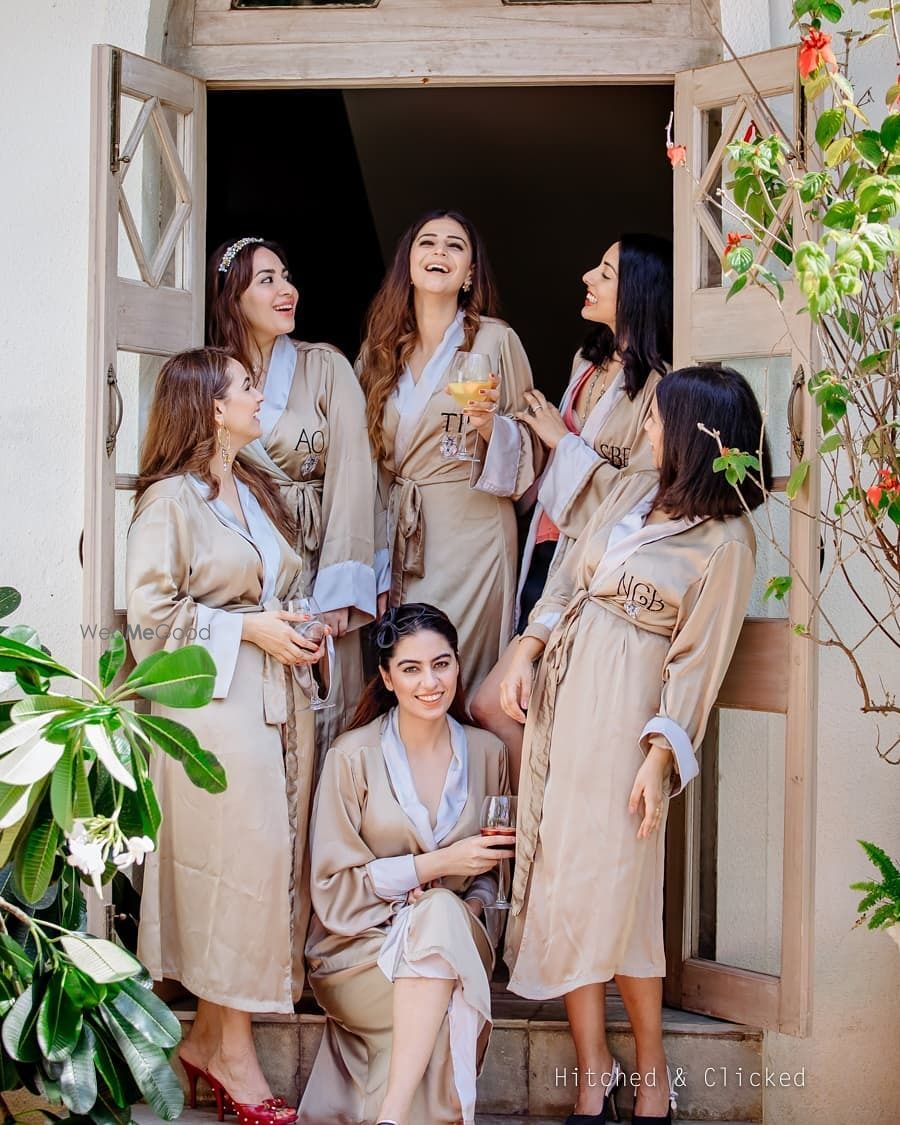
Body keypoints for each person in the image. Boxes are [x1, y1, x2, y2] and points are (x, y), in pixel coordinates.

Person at [501, 365, 771, 1125]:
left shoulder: (726, 541)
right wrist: (527, 647)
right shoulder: (625, 492)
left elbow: (699, 662)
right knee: (560, 880)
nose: (647, 429)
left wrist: (658, 758)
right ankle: (594, 1069)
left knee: (621, 893)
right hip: (565, 704)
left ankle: (650, 1068)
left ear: (693, 432)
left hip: (628, 721)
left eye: (658, 419)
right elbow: (563, 577)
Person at [127, 347, 328, 1124]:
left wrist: (295, 629)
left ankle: (210, 1039)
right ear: (212, 405)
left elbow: (278, 590)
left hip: (279, 703)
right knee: (240, 868)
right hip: (212, 714)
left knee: (268, 864)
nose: (257, 398)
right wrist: (250, 630)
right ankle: (236, 1056)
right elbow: (149, 618)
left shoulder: (251, 489)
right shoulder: (169, 502)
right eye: (246, 387)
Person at [299, 603, 513, 1125]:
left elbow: (497, 880)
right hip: (358, 953)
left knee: (440, 917)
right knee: (436, 945)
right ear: (386, 677)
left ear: (459, 666)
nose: (430, 683)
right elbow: (331, 886)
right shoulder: (352, 756)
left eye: (441, 664)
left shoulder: (488, 754)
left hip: (454, 940)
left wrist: (461, 903)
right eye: (411, 669)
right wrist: (433, 866)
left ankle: (390, 1117)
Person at [471, 234, 673, 787]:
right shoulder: (587, 361)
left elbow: (638, 500)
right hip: (546, 550)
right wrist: (498, 429)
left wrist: (564, 442)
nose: (588, 276)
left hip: (590, 571)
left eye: (606, 273)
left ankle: (546, 814)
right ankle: (535, 823)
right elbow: (547, 457)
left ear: (640, 291)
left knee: (505, 704)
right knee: (506, 704)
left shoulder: (661, 391)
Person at [356, 208, 542, 697]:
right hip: (402, 527)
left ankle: (472, 769)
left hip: (471, 533)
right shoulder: (379, 349)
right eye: (428, 242)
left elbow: (533, 445)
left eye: (455, 245)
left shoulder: (496, 340)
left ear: (470, 272)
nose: (440, 252)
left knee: (458, 671)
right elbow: (365, 460)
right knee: (407, 668)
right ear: (409, 263)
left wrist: (489, 427)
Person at [207, 236, 376, 755]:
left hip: (317, 559)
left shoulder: (325, 367)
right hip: (246, 569)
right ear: (233, 299)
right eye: (267, 280)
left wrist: (340, 587)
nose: (287, 290)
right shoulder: (209, 377)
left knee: (326, 714)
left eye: (286, 276)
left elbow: (353, 472)